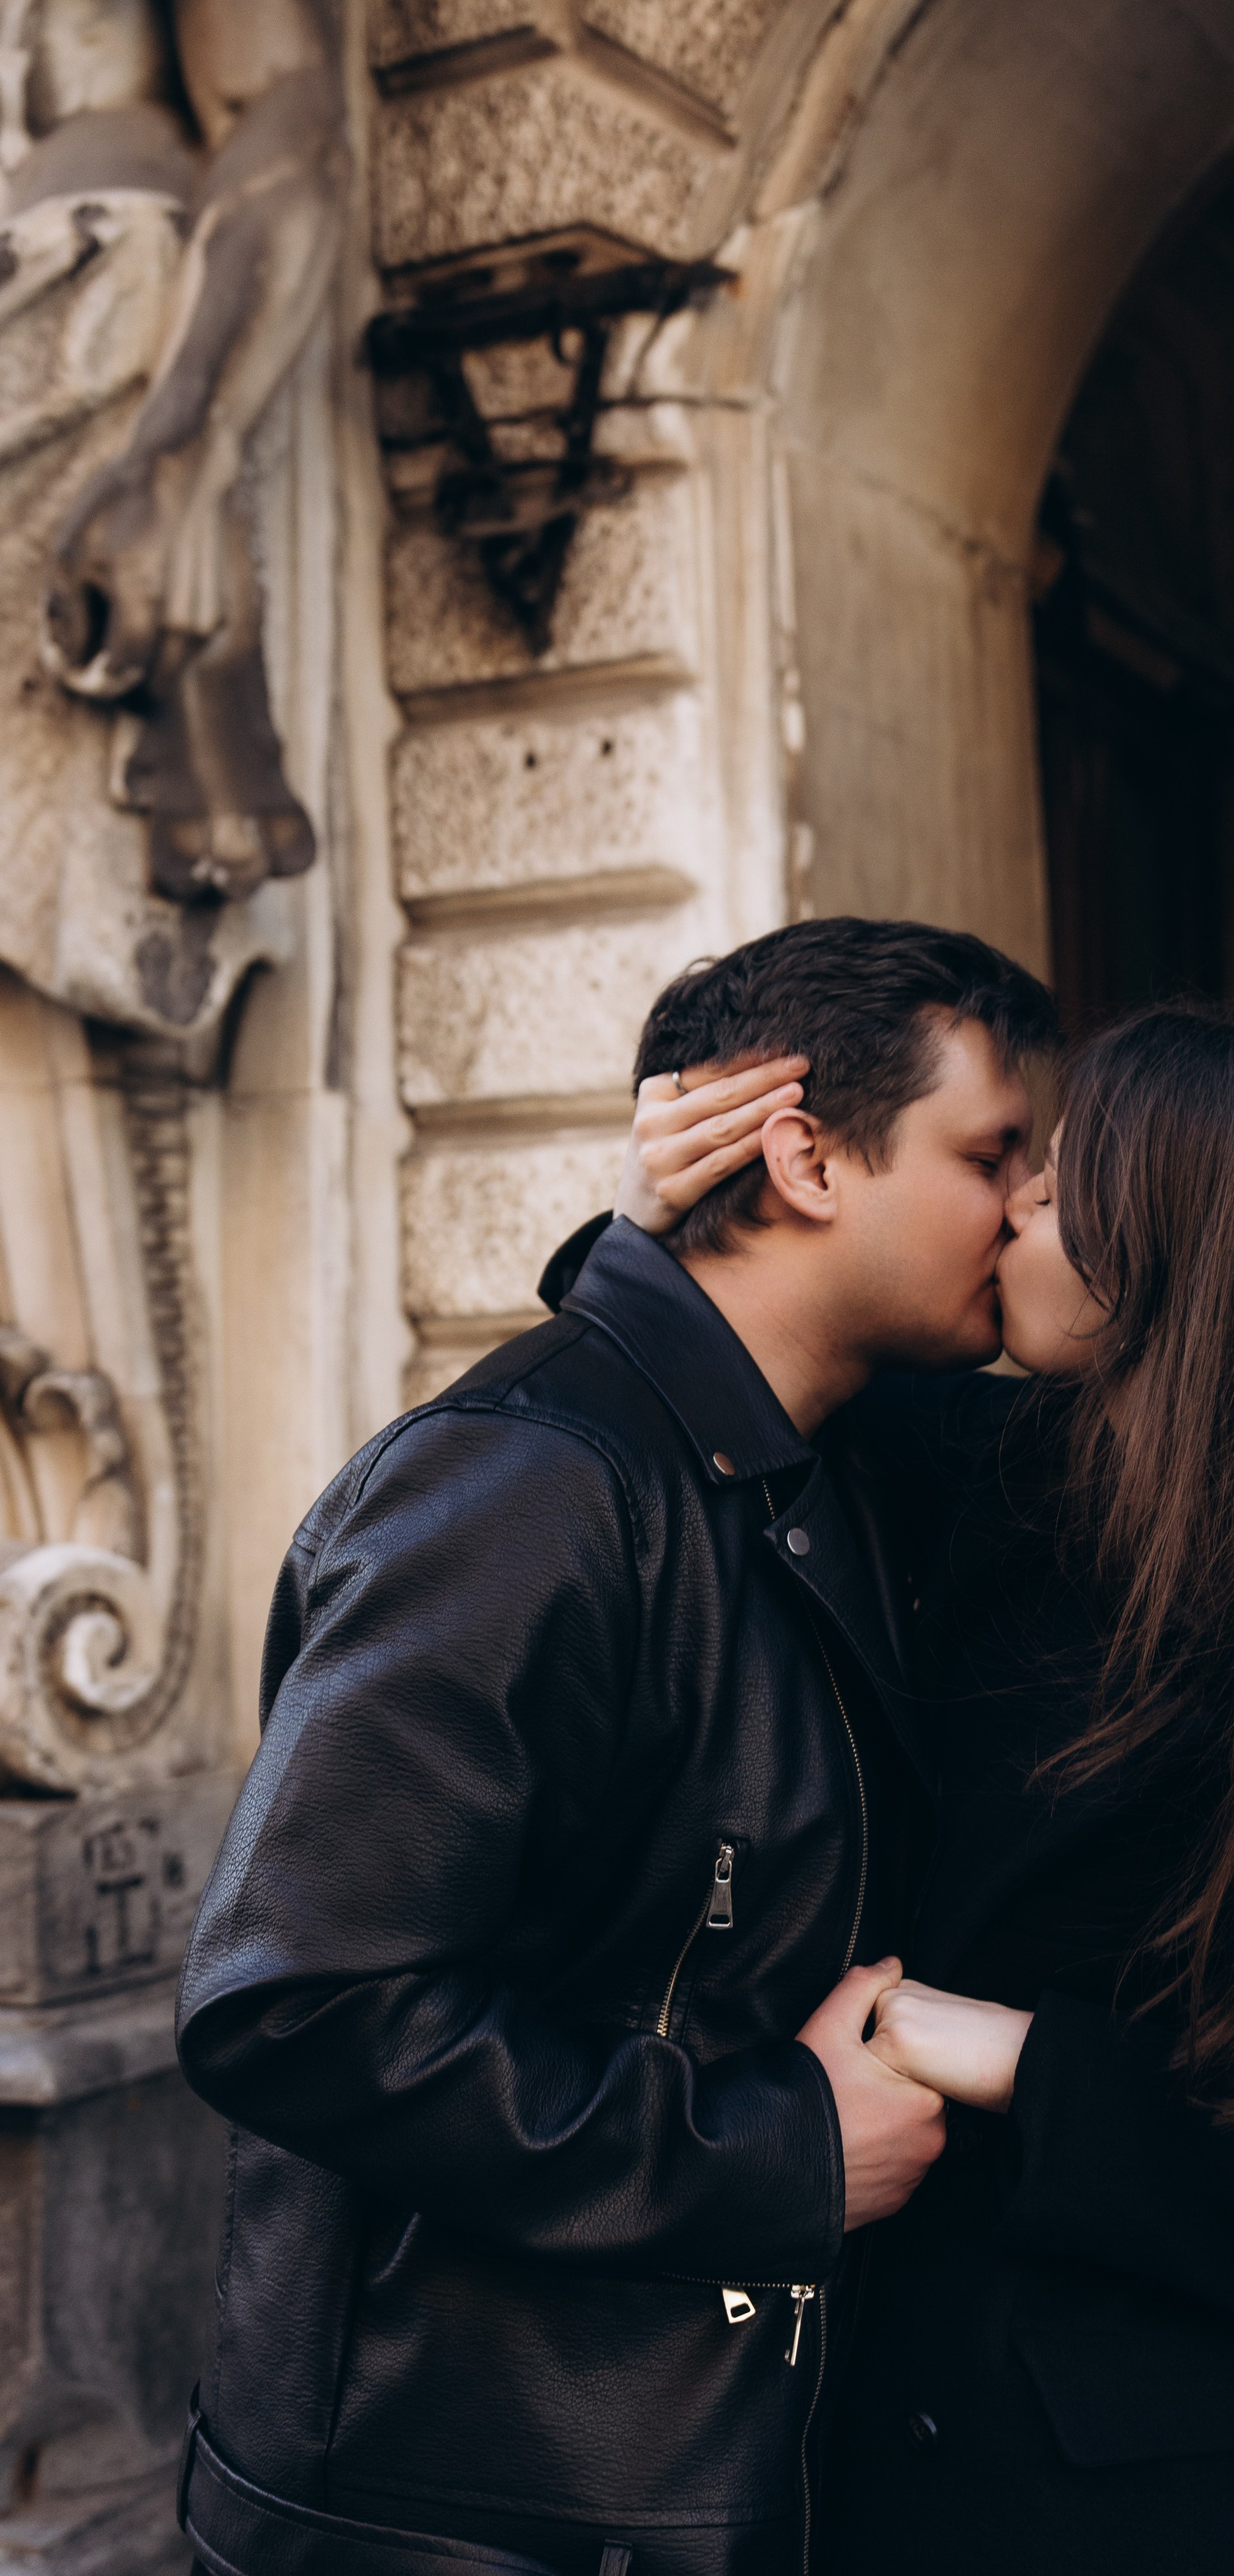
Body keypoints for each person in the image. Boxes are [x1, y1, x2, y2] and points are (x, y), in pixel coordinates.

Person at [620, 996, 1234, 2576]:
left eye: (1057, 1183)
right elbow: (723, 1391)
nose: (1009, 1203)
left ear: (1177, 1267)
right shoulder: (970, 1475)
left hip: (1097, 2504)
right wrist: (655, 1236)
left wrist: (1031, 2066)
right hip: (800, 2439)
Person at [173, 918, 1060, 2576]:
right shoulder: (528, 1488)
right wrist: (775, 2152)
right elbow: (294, 2000)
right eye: (989, 1153)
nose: (1020, 1207)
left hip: (672, 2478)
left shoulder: (830, 1471)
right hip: (464, 2508)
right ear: (801, 1154)